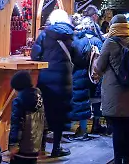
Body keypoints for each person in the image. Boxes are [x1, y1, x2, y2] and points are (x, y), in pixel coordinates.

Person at [92, 14, 129, 164]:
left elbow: (99, 67)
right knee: (126, 127)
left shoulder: (110, 42)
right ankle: (126, 159)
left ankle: (118, 160)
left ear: (112, 26)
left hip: (114, 92)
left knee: (117, 129)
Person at [31, 9, 77, 157]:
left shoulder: (45, 34)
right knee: (61, 113)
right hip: (64, 80)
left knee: (44, 112)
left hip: (46, 79)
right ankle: (56, 147)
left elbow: (35, 55)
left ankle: (41, 146)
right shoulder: (71, 36)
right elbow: (78, 56)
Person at [70, 16, 103, 141]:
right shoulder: (98, 40)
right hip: (95, 76)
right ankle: (95, 125)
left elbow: (74, 59)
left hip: (80, 75)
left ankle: (82, 130)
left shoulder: (78, 41)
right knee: (96, 102)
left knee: (82, 103)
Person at [8, 70, 45, 164]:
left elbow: (16, 125)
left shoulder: (19, 101)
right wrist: (42, 144)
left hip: (22, 147)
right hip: (35, 146)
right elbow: (43, 122)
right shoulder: (39, 97)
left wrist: (13, 144)